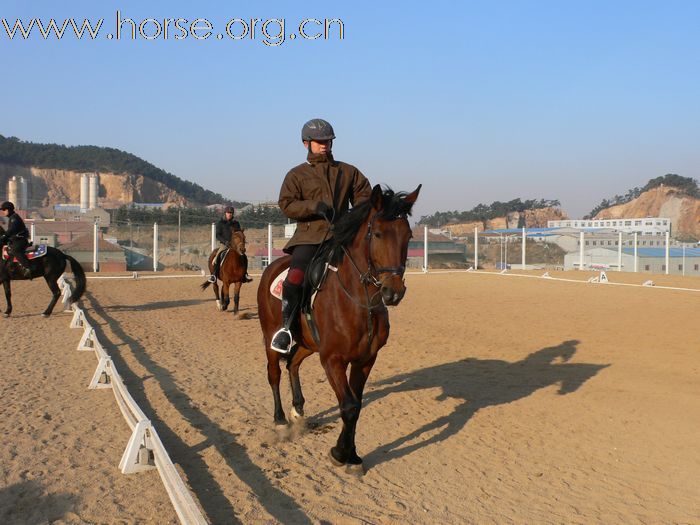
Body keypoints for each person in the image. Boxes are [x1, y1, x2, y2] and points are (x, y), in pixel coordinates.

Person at [270, 118, 372, 354]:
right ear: (306, 143)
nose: (325, 144)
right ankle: (286, 329)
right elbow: (286, 204)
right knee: (295, 277)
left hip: (341, 237)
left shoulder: (348, 171)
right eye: (319, 141)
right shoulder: (296, 175)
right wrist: (313, 206)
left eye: (328, 140)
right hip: (309, 237)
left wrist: (354, 218)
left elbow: (364, 197)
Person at [209, 205, 252, 283]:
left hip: (235, 245)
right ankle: (214, 275)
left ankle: (245, 274)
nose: (230, 214)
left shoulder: (236, 223)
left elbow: (239, 233)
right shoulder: (220, 223)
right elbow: (217, 235)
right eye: (228, 213)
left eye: (231, 213)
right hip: (224, 244)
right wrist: (225, 242)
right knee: (218, 256)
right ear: (225, 213)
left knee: (244, 257)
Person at [0, 201, 32, 278]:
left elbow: (12, 230)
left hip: (20, 241)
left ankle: (28, 268)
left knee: (15, 250)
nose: (3, 212)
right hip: (16, 240)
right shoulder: (12, 218)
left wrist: (4, 235)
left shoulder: (14, 218)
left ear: (9, 210)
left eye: (4, 210)